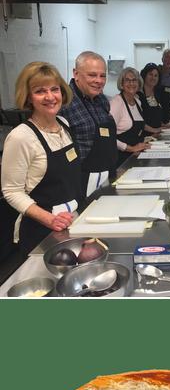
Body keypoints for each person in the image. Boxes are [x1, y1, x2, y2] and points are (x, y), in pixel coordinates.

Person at [1, 62, 82, 255]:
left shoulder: (64, 124)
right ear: (28, 97)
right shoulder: (21, 136)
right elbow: (11, 191)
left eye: (54, 89)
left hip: (71, 221)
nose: (50, 97)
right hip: (41, 231)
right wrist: (49, 219)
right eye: (40, 91)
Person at [58, 51, 117, 200]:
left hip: (107, 175)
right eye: (92, 75)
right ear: (76, 74)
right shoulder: (64, 103)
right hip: (80, 183)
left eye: (102, 75)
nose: (99, 80)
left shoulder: (102, 99)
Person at [109, 67, 152, 167]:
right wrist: (131, 148)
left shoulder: (137, 102)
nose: (131, 83)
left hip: (136, 157)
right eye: (127, 80)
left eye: (134, 80)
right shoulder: (116, 103)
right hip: (121, 160)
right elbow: (109, 137)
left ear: (139, 83)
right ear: (122, 84)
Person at [139, 62, 167, 136]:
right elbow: (138, 121)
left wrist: (163, 125)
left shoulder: (157, 93)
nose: (153, 78)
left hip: (156, 135)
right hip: (144, 136)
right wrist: (154, 130)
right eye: (150, 74)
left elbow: (154, 115)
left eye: (156, 76)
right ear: (144, 75)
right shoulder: (138, 95)